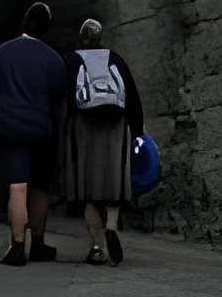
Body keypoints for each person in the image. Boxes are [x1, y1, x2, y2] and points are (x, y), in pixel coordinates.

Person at [0, 0, 69, 267]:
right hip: (42, 129)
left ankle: (17, 246)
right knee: (40, 189)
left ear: (23, 22)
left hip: (11, 128)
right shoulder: (54, 59)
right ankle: (40, 244)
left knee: (17, 187)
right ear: (47, 29)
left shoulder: (0, 53)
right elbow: (59, 102)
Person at [58, 16, 144, 266]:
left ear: (82, 38)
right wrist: (137, 130)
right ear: (100, 38)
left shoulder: (72, 60)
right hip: (116, 127)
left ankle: (97, 247)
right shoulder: (115, 59)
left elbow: (63, 99)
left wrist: (62, 132)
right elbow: (132, 96)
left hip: (84, 128)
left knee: (90, 191)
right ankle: (112, 225)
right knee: (113, 186)